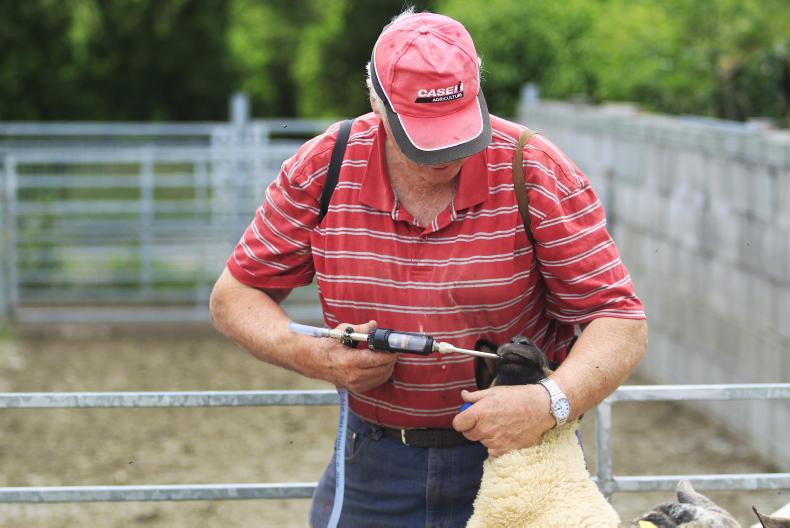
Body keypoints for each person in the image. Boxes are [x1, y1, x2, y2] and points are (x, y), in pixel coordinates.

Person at [210, 8, 647, 528]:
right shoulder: (323, 167)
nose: (444, 154)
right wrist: (314, 355)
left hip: (520, 454)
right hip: (376, 456)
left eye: (459, 130)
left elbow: (620, 320)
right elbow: (233, 296)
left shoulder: (533, 169)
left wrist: (548, 401)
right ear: (377, 103)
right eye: (423, 135)